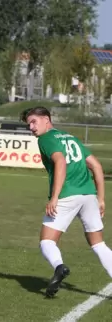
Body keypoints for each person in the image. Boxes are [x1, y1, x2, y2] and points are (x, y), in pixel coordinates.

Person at [21, 106, 112, 298]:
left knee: (47, 241)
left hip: (67, 195)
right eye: (29, 124)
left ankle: (59, 267)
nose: (31, 127)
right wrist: (101, 198)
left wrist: (54, 197)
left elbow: (60, 161)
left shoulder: (46, 139)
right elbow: (96, 166)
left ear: (46, 120)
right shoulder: (70, 137)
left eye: (34, 122)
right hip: (89, 195)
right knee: (98, 244)